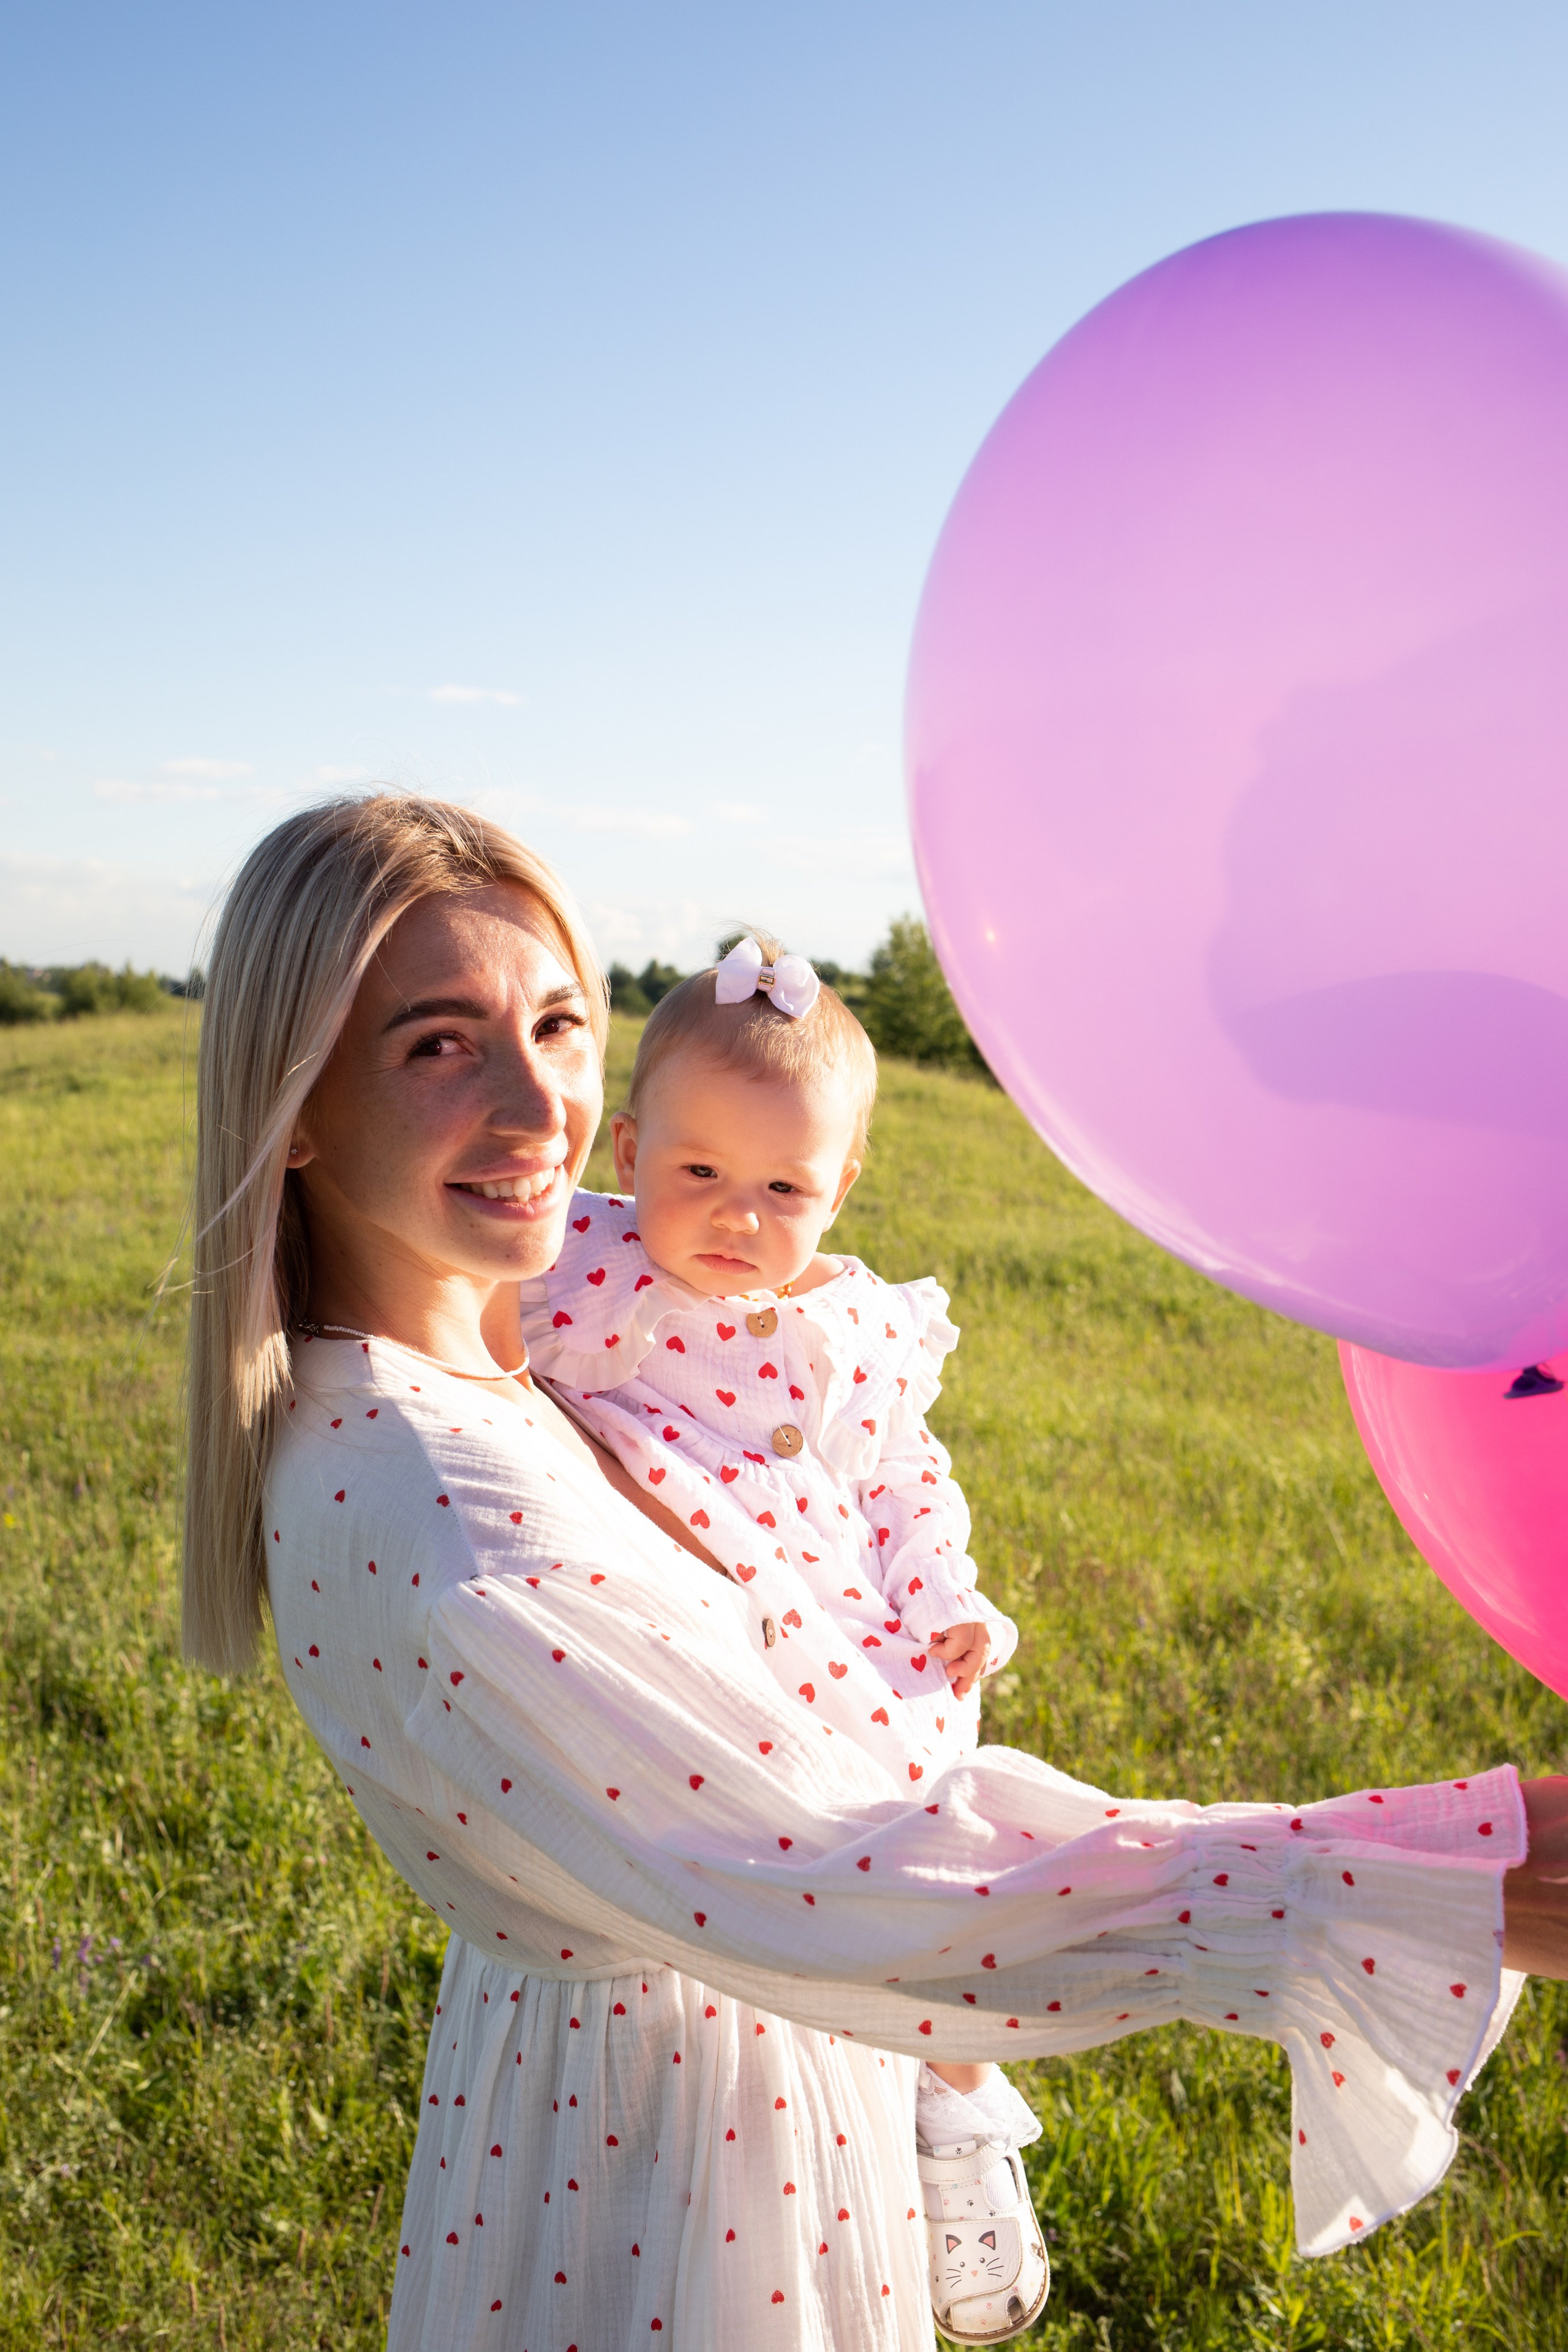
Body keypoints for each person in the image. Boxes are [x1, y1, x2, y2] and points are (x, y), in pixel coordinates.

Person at [183, 792, 1568, 2352]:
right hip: (678, 2163)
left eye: (560, 1025)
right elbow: (850, 1871)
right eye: (437, 1042)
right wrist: (1423, 1876)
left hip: (762, 2068)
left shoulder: (518, 1354)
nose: (538, 1106)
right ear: (292, 1105)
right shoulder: (441, 1509)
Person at [516, 929, 1047, 2324]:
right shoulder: (583, 1259)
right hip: (687, 1617)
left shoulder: (848, 1327)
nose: (736, 1218)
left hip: (838, 1631)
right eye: (697, 1172)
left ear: (841, 1186)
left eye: (782, 1188)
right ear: (626, 1150)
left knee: (920, 1863)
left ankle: (956, 2107)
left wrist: (947, 1600)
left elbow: (903, 1480)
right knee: (763, 1880)